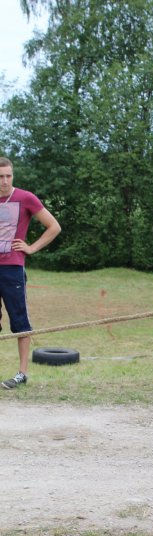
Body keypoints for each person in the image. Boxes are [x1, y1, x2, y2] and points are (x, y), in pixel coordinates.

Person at [0, 157, 61, 389]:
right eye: (0, 176)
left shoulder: (25, 198)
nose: (5, 181)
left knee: (19, 321)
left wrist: (31, 248)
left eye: (8, 176)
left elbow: (54, 226)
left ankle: (22, 374)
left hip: (12, 268)